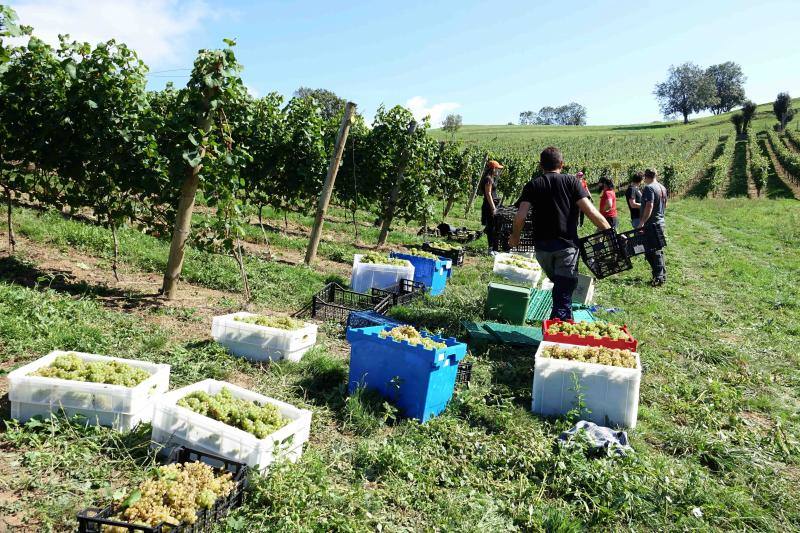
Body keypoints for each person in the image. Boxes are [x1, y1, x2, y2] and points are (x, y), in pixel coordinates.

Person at [509, 147, 611, 320]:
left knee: (560, 286)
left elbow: (520, 216)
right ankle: (558, 331)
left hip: (542, 249)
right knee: (564, 291)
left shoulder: (533, 185)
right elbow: (591, 212)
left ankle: (560, 321)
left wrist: (515, 237)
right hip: (566, 247)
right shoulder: (572, 182)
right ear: (562, 164)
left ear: (540, 165)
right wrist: (611, 232)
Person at [638, 168, 668, 286]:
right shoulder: (662, 187)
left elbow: (649, 205)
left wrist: (642, 222)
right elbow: (665, 203)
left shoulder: (649, 188)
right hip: (660, 221)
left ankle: (658, 278)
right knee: (657, 249)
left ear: (646, 176)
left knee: (652, 251)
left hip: (652, 223)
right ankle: (661, 275)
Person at [480, 160, 503, 252]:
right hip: (489, 206)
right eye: (497, 169)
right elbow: (488, 194)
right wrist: (493, 208)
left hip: (492, 204)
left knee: (494, 227)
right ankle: (491, 249)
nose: (498, 171)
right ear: (493, 169)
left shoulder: (491, 178)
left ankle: (493, 248)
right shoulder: (488, 179)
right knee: (491, 228)